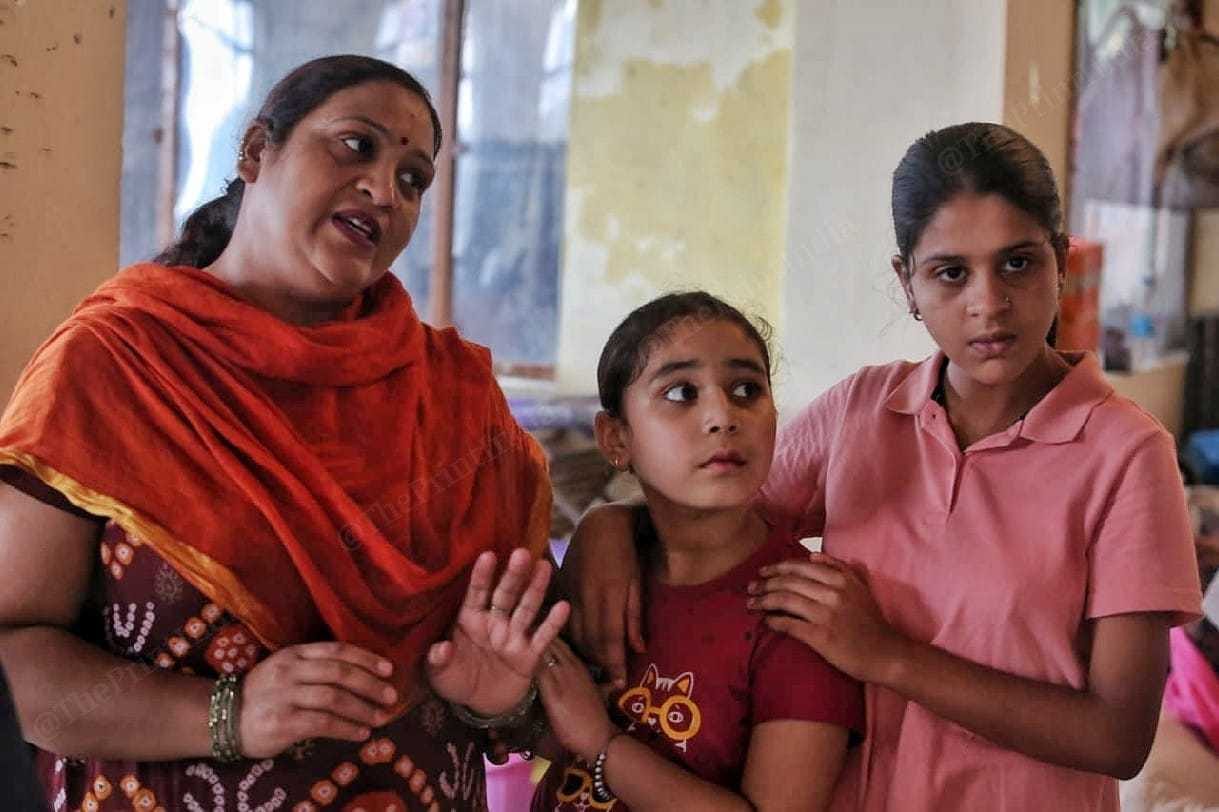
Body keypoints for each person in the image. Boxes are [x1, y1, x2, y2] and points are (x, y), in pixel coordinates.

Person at [559, 122, 1203, 811]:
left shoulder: (1125, 454)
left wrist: (887, 655)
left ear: (1060, 261)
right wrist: (609, 524)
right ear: (906, 283)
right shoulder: (863, 411)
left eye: (1017, 263)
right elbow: (710, 514)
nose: (988, 303)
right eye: (950, 273)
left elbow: (1116, 736)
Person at [0, 54, 565, 810]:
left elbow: (533, 682)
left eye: (413, 179)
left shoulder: (456, 396)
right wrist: (227, 716)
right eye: (356, 145)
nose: (384, 190)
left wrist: (497, 701)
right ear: (255, 150)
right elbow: (12, 655)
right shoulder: (116, 365)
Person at [531, 292, 863, 811]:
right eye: (682, 393)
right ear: (616, 439)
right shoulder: (604, 572)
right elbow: (548, 727)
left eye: (747, 390)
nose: (722, 416)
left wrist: (603, 745)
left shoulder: (798, 610)